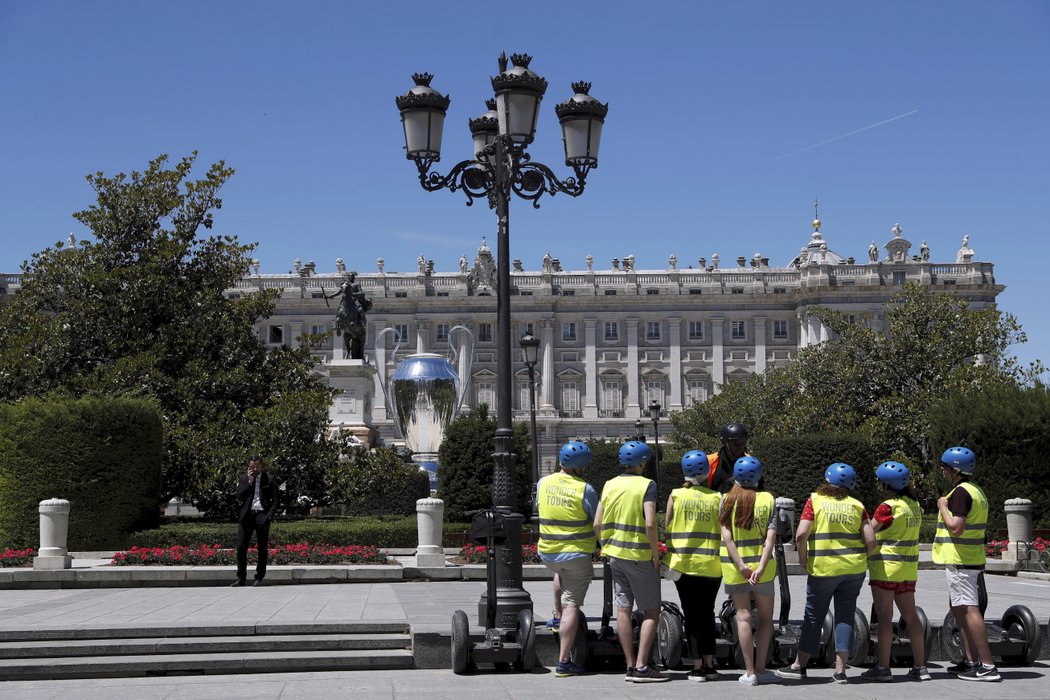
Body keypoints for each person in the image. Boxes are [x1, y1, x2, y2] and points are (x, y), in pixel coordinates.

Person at [777, 463, 876, 684]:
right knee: (845, 616)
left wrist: (802, 558)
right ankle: (841, 670)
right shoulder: (857, 505)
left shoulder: (816, 500)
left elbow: (801, 534)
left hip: (823, 569)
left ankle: (799, 665)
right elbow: (871, 540)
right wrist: (863, 558)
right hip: (854, 570)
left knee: (813, 617)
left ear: (826, 480)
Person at [593, 440, 668, 683]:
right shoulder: (647, 485)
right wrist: (655, 553)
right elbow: (649, 522)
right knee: (651, 611)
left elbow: (597, 523)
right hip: (639, 556)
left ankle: (629, 665)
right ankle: (643, 666)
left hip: (615, 555)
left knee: (623, 609)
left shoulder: (609, 484)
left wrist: (604, 546)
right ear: (643, 462)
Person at [933, 446, 999, 682]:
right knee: (960, 609)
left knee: (970, 610)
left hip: (962, 561)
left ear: (956, 469)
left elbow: (956, 527)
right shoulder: (976, 490)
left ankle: (988, 666)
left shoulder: (960, 493)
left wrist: (942, 507)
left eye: (945, 467)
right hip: (966, 560)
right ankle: (971, 662)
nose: (942, 470)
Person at [861, 461, 930, 682]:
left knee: (884, 618)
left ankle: (883, 668)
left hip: (886, 570)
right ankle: (921, 667)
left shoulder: (887, 507)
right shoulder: (913, 505)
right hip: (907, 571)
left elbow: (869, 532)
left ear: (885, 484)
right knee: (911, 618)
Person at [537, 440, 599, 678]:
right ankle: (564, 662)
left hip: (548, 553)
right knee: (572, 603)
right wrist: (604, 544)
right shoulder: (585, 489)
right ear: (580, 466)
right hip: (576, 554)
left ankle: (555, 616)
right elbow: (597, 521)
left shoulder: (543, 482)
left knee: (560, 572)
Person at [718, 456, 780, 686]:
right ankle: (762, 668)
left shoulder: (726, 499)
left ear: (735, 475)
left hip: (736, 569)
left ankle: (750, 672)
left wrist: (742, 567)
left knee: (742, 616)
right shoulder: (768, 499)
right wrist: (760, 567)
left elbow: (727, 537)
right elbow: (771, 539)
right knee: (765, 619)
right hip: (763, 570)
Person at [664, 450, 722, 682]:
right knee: (708, 612)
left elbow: (667, 525)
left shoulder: (676, 495)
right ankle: (710, 664)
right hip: (711, 565)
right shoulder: (717, 498)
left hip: (684, 565)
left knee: (691, 613)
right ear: (707, 472)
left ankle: (697, 666)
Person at [232, 456, 279, 587]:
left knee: (262, 548)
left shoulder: (269, 479)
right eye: (252, 467)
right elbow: (239, 495)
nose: (255, 469)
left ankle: (259, 577)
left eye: (257, 467)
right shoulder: (244, 478)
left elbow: (275, 501)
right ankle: (241, 578)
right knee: (241, 547)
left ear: (262, 466)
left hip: (262, 515)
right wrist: (250, 482)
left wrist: (268, 516)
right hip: (246, 515)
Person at [324, 271, 372, 360]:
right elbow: (338, 293)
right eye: (349, 276)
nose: (350, 277)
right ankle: (337, 326)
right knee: (339, 311)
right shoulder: (345, 284)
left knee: (360, 310)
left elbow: (361, 293)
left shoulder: (356, 284)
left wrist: (352, 294)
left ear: (354, 277)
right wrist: (328, 297)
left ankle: (362, 323)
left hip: (355, 301)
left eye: (352, 276)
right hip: (346, 301)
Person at [707, 422, 750, 493]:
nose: (740, 447)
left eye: (742, 442)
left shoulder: (750, 461)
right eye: (735, 443)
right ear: (724, 442)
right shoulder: (710, 461)